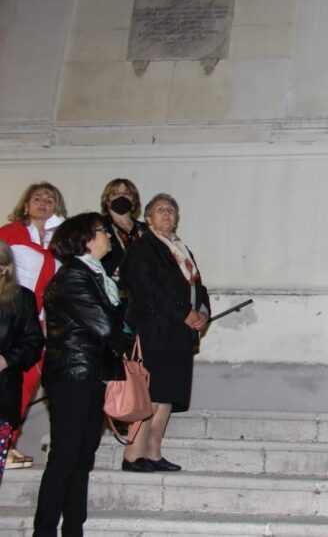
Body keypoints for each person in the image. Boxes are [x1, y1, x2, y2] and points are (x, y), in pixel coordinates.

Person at [33, 212, 129, 537]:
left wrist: (120, 324)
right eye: (103, 231)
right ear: (87, 239)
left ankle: (73, 529)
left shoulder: (97, 276)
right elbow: (105, 326)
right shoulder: (75, 276)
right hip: (73, 375)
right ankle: (44, 530)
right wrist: (124, 330)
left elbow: (111, 324)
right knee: (65, 458)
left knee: (82, 458)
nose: (109, 236)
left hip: (91, 375)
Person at [120, 194, 210, 473]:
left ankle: (154, 452)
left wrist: (204, 313)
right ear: (148, 218)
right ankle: (133, 455)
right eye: (161, 210)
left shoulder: (181, 249)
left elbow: (199, 287)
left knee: (167, 394)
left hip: (179, 334)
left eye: (171, 210)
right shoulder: (143, 248)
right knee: (150, 394)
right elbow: (149, 289)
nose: (167, 214)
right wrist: (183, 313)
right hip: (155, 330)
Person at [0, 181, 67, 469]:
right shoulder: (9, 234)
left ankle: (8, 440)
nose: (43, 202)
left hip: (43, 324)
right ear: (25, 205)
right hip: (11, 316)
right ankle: (7, 442)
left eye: (50, 199)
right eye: (36, 198)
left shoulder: (61, 241)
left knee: (26, 387)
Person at [0, 241, 44, 485]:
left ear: (5, 268)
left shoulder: (22, 299)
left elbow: (34, 343)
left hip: (3, 392)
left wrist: (7, 359)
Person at [98, 178, 148, 287]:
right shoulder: (98, 228)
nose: (121, 196)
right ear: (107, 201)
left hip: (144, 295)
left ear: (134, 200)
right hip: (110, 293)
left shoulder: (147, 230)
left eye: (126, 193)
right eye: (115, 193)